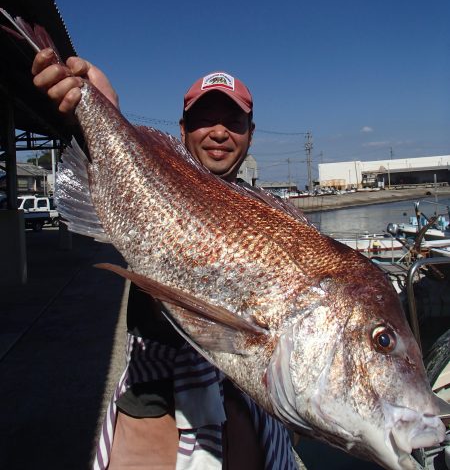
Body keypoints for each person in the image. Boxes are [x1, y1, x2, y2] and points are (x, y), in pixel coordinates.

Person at [31, 49, 302, 470]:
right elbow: (119, 167)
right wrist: (103, 108)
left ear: (250, 132)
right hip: (153, 387)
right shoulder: (148, 188)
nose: (218, 132)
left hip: (240, 387)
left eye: (232, 121)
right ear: (181, 130)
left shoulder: (275, 217)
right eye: (203, 119)